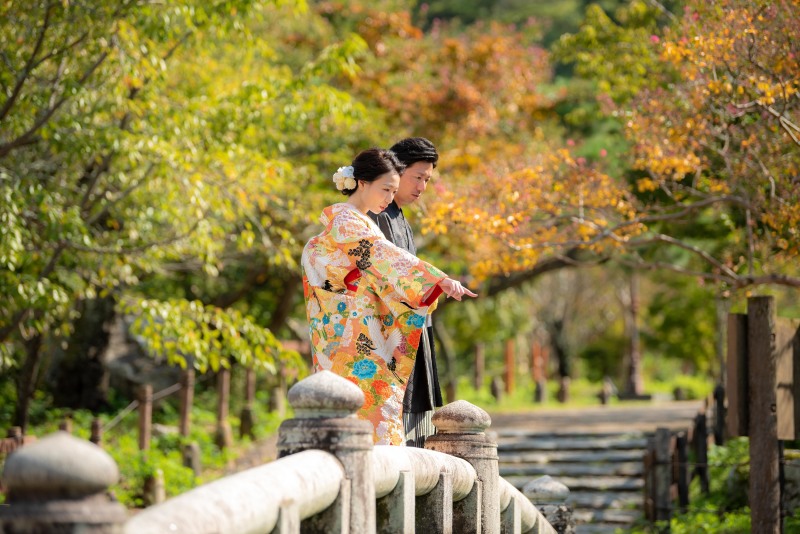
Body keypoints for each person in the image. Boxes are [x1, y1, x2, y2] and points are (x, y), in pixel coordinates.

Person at [301, 148, 476, 446]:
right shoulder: (347, 221)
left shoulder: (361, 222)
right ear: (362, 183)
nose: (388, 198)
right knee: (351, 406)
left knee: (362, 409)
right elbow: (382, 256)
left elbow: (380, 266)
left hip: (355, 331)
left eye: (393, 191)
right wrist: (437, 279)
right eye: (385, 189)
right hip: (344, 333)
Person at [369, 137, 442, 447]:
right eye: (418, 177)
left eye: (427, 179)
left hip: (414, 328)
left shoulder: (400, 216)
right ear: (396, 173)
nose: (422, 187)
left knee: (418, 422)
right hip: (393, 333)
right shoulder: (378, 215)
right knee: (400, 422)